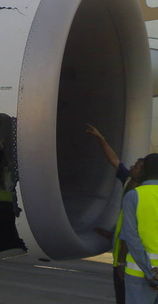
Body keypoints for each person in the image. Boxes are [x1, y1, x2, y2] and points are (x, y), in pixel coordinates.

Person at [86, 124, 144, 304]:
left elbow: (134, 228)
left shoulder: (143, 193)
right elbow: (114, 160)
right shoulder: (128, 180)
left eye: (138, 166)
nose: (133, 166)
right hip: (122, 256)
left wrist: (120, 262)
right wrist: (101, 138)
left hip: (132, 261)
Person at [120, 153, 158, 303]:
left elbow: (130, 236)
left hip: (138, 273)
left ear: (144, 171)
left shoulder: (134, 196)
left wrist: (150, 273)